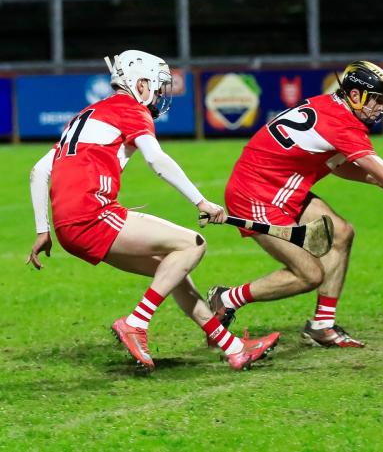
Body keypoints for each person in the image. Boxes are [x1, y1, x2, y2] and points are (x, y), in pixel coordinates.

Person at [27, 50, 279, 371]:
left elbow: (38, 171)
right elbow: (156, 160)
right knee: (192, 245)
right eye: (156, 88)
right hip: (95, 215)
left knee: (171, 271)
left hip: (68, 229)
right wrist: (200, 201)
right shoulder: (130, 109)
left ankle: (233, 347)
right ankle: (136, 323)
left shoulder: (83, 116)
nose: (158, 96)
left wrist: (42, 229)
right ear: (139, 83)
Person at [207, 60, 383, 347]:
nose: (379, 107)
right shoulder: (343, 124)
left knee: (341, 232)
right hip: (256, 195)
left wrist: (375, 179)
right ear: (354, 95)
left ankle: (322, 326)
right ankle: (226, 298)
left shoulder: (329, 105)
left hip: (282, 187)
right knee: (308, 274)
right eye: (375, 99)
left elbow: (335, 165)